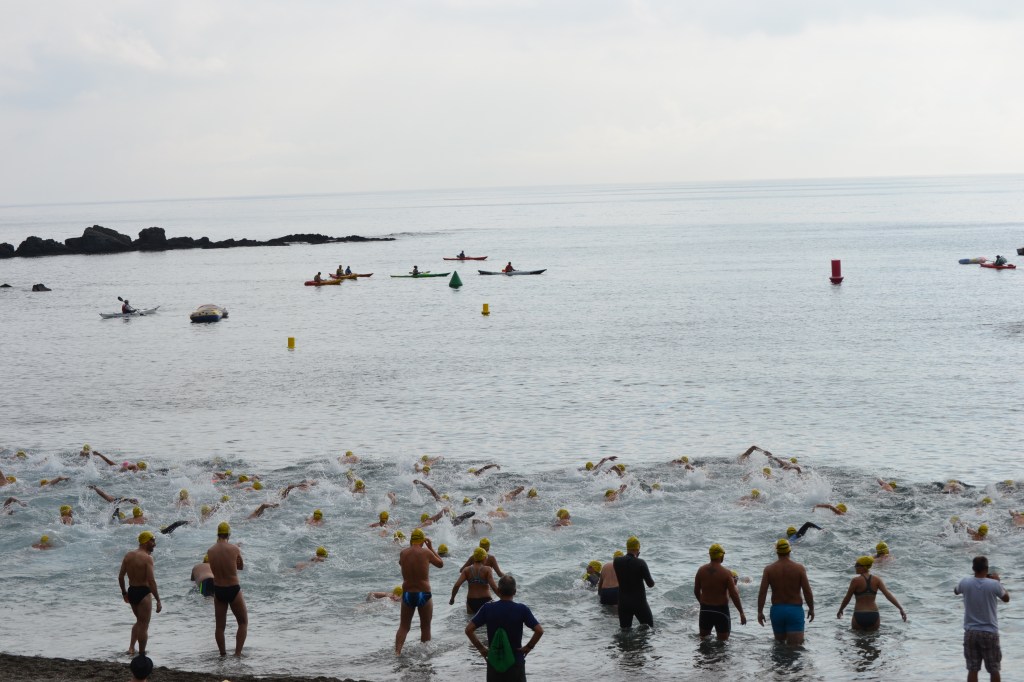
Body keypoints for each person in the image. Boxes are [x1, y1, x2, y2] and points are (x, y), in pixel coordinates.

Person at [466, 574, 543, 682]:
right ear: (515, 592)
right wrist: (529, 646)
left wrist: (482, 649)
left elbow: (468, 630)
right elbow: (539, 630)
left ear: (498, 590)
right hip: (515, 661)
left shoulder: (487, 608)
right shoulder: (522, 609)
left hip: (495, 661)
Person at [955, 555, 1010, 682]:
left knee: (972, 669)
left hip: (971, 632)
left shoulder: (965, 582)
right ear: (987, 568)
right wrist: (998, 582)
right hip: (989, 632)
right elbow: (1006, 598)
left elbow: (956, 591)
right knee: (994, 669)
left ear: (973, 568)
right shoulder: (994, 584)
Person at [395, 528, 444, 655]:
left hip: (407, 594)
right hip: (423, 593)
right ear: (423, 541)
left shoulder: (403, 553)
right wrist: (431, 548)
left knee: (404, 627)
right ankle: (425, 657)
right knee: (425, 627)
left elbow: (401, 564)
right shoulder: (426, 553)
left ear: (411, 540)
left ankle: (397, 652)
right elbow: (440, 564)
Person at [757, 539, 814, 645]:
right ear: (789, 551)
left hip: (777, 611)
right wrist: (811, 609)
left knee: (779, 647)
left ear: (777, 551)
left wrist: (760, 612)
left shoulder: (769, 570)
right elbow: (807, 591)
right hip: (794, 610)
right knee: (796, 649)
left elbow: (762, 593)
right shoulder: (799, 569)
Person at [206, 521, 247, 656]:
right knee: (242, 622)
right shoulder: (234, 549)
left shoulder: (210, 551)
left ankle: (223, 654)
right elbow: (240, 567)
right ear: (229, 534)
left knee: (219, 627)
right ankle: (237, 654)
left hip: (219, 590)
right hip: (233, 588)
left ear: (218, 534)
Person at [118, 531, 162, 656]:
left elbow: (121, 577)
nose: (154, 544)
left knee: (139, 622)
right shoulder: (148, 558)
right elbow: (151, 581)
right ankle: (142, 654)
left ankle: (131, 648)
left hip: (132, 591)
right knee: (143, 625)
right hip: (143, 593)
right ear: (146, 541)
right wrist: (158, 600)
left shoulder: (128, 556)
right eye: (152, 541)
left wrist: (124, 593)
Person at [836, 555, 906, 630]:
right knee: (873, 640)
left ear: (863, 567)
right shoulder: (877, 580)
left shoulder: (855, 581)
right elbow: (888, 595)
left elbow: (847, 598)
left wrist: (840, 610)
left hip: (859, 614)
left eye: (857, 565)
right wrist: (900, 609)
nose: (855, 567)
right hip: (874, 615)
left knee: (857, 639)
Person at [694, 543, 747, 640]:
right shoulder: (726, 573)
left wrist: (702, 604)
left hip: (705, 610)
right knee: (722, 645)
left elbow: (696, 591)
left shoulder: (701, 570)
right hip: (721, 611)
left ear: (710, 555)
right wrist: (741, 613)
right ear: (721, 555)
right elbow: (734, 594)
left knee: (704, 642)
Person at [614, 536, 654, 629]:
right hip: (639, 602)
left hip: (623, 602)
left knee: (625, 630)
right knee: (649, 628)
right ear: (638, 549)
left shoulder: (616, 561)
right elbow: (650, 584)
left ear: (627, 548)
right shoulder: (641, 562)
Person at [450, 547, 500, 614]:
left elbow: (457, 585)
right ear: (484, 558)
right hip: (486, 600)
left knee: (471, 622)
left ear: (474, 558)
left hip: (471, 601)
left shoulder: (466, 570)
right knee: (488, 623)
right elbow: (493, 586)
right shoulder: (487, 569)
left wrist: (452, 598)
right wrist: (502, 598)